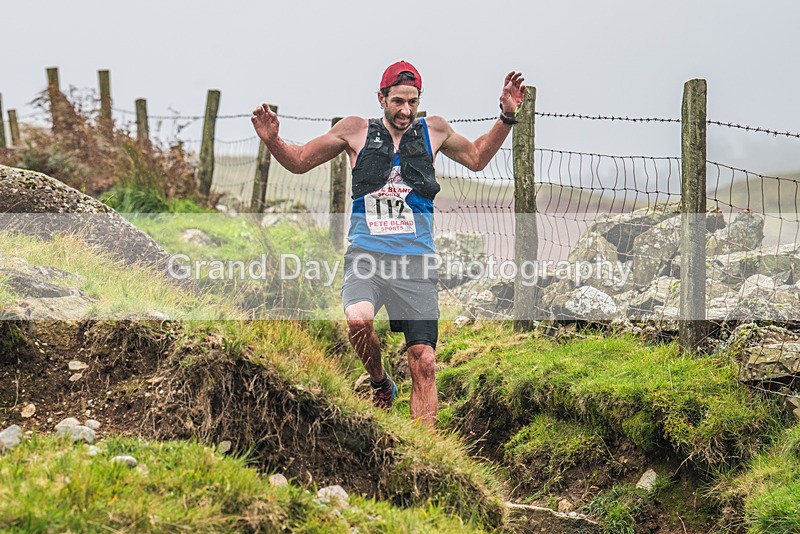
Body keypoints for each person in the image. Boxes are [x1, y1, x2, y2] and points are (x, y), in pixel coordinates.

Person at [251, 61, 525, 426]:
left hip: (416, 262)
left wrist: (506, 117)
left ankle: (424, 456)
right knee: (358, 321)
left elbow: (477, 158)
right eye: (398, 101)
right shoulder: (354, 130)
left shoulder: (435, 130)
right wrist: (273, 141)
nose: (406, 110)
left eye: (412, 101)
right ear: (381, 98)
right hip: (367, 256)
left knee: (424, 361)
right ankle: (380, 383)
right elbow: (300, 162)